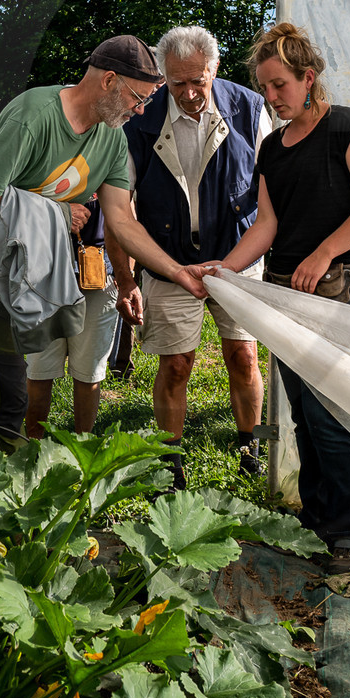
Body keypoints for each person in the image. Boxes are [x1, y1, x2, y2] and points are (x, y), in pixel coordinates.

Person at [0, 35, 208, 451]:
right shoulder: (33, 116)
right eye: (137, 98)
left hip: (25, 270)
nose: (139, 110)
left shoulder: (112, 138)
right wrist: (59, 213)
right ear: (109, 81)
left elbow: (121, 220)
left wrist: (176, 271)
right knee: (10, 396)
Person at [191, 23, 350, 573]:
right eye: (264, 87)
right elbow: (267, 225)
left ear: (308, 78)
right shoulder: (272, 149)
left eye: (279, 84)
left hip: (344, 286)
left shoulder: (349, 127)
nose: (271, 96)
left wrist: (324, 253)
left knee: (330, 414)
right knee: (303, 413)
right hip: (287, 293)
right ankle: (320, 520)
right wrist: (225, 268)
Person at [117, 25, 272, 488]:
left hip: (239, 254)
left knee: (243, 355)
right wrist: (127, 278)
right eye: (177, 82)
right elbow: (121, 209)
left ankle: (251, 448)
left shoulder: (250, 109)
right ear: (163, 75)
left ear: (215, 69)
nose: (188, 93)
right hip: (168, 259)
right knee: (176, 364)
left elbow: (274, 193)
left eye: (197, 81)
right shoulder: (138, 120)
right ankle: (170, 462)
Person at [23, 197, 122, 437]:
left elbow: (125, 213)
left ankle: (81, 448)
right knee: (38, 372)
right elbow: (15, 200)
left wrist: (126, 272)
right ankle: (31, 448)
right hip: (41, 275)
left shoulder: (108, 171)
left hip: (98, 275)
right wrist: (61, 212)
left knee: (89, 373)